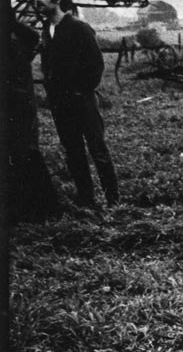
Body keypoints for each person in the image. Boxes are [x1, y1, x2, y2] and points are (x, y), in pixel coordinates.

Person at [37, 0, 119, 210]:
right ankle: (86, 200)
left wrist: (81, 90)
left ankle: (113, 201)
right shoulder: (47, 30)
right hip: (60, 103)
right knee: (73, 151)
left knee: (97, 149)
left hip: (82, 100)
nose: (38, 3)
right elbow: (47, 64)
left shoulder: (79, 27)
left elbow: (96, 64)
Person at [5, 4, 63, 223]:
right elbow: (32, 38)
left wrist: (11, 24)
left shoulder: (13, 46)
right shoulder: (19, 43)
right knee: (22, 155)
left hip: (17, 108)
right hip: (19, 108)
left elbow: (31, 39)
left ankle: (37, 210)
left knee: (24, 155)